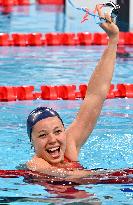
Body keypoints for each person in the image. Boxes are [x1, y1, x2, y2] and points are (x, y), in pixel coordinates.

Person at [26, 4, 119, 179]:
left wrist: (113, 40)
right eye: (43, 135)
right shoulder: (36, 164)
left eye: (58, 131)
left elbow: (95, 96)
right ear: (32, 142)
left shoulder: (69, 145)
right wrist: (115, 176)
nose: (53, 140)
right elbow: (64, 175)